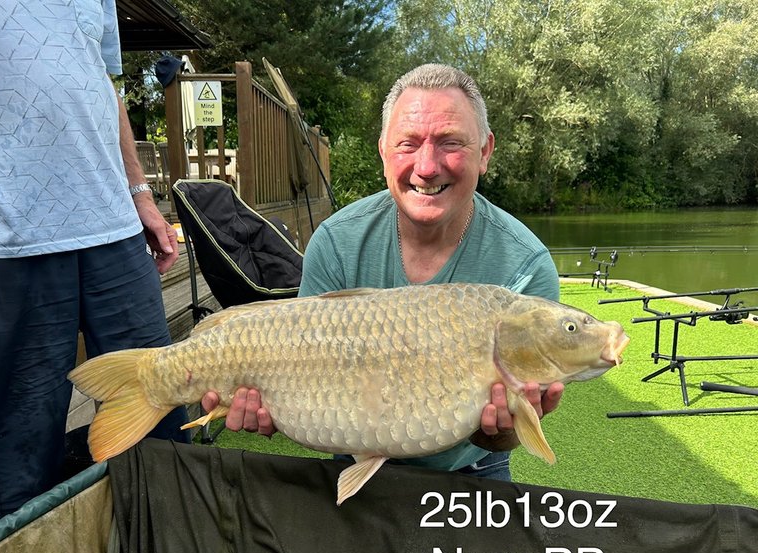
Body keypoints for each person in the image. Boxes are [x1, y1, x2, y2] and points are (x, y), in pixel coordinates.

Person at [202, 63, 563, 481]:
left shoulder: (525, 267)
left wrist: (504, 429)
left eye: (450, 143)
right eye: (408, 144)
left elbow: (505, 435)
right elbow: (305, 401)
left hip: (473, 467)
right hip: (351, 460)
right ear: (383, 153)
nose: (427, 166)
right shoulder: (336, 241)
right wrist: (270, 409)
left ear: (484, 151)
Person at [0, 0, 190, 528]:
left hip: (114, 230)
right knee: (18, 456)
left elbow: (102, 83)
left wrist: (139, 193)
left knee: (161, 419)